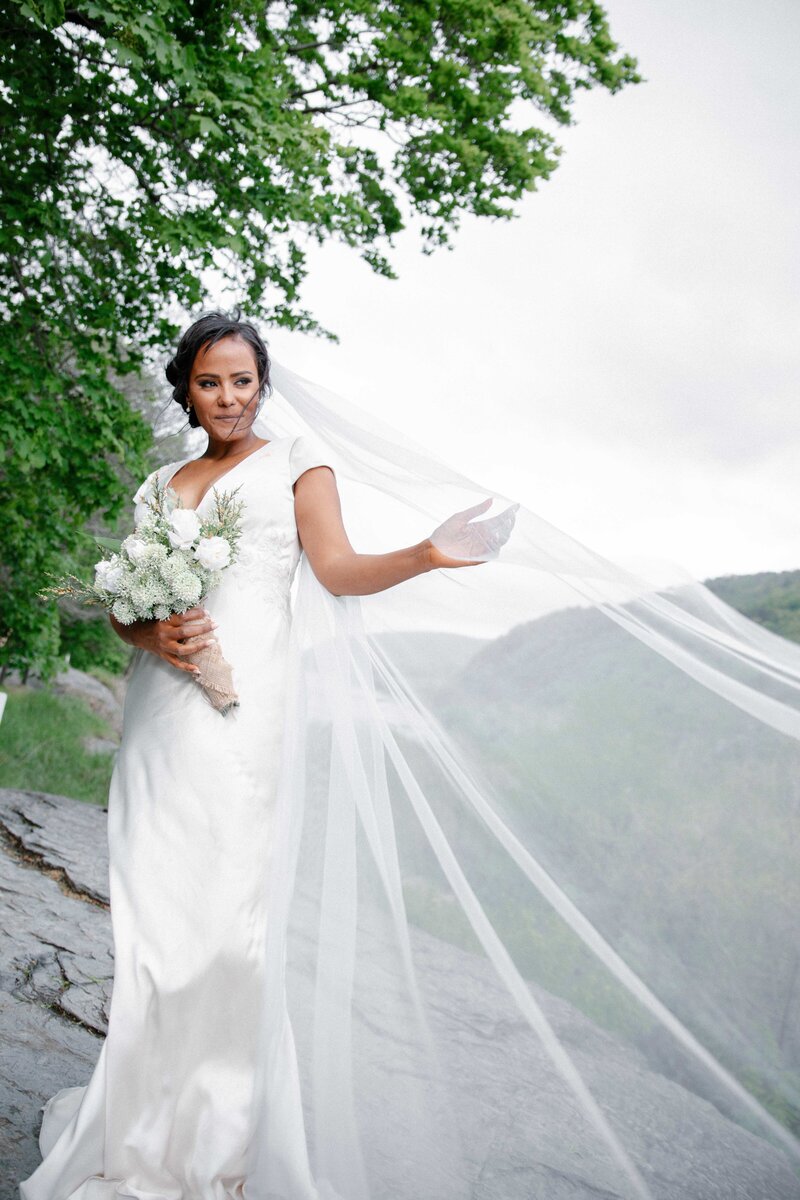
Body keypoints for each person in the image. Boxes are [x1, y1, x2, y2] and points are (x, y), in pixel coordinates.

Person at [19, 310, 800, 1200]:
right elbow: (125, 608)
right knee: (154, 919)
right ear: (186, 389)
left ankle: (216, 1144)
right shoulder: (162, 483)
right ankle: (138, 1118)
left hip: (244, 716)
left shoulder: (298, 467)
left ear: (262, 384)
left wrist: (429, 552)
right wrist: (152, 634)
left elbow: (339, 571)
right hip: (163, 714)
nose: (229, 398)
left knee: (226, 922)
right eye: (210, 381)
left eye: (243, 380)